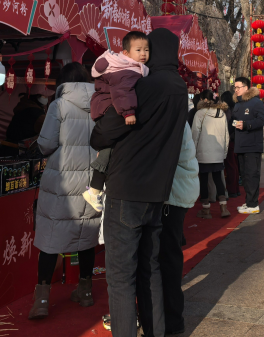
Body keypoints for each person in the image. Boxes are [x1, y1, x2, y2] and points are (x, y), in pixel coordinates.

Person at [104, 28, 188, 337]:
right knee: (149, 268)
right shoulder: (179, 87)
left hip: (127, 187)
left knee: (121, 275)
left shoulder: (145, 85)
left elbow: (102, 133)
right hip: (158, 192)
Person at [29, 63, 100, 320]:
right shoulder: (99, 105)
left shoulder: (58, 105)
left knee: (50, 238)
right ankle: (85, 291)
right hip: (91, 179)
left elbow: (46, 144)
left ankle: (42, 300)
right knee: (86, 234)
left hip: (61, 180)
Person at [85, 31, 150, 212]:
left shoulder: (125, 66)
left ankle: (95, 190)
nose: (143, 54)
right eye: (138, 50)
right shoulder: (127, 70)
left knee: (108, 148)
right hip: (110, 108)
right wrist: (128, 113)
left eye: (146, 50)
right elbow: (122, 92)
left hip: (104, 106)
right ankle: (94, 190)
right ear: (126, 53)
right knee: (108, 148)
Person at [160, 122, 200, 336]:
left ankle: (172, 319)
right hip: (177, 190)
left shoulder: (169, 115)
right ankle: (170, 317)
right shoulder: (176, 114)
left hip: (171, 193)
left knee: (168, 257)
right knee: (169, 254)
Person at [191, 90, 230, 219]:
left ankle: (206, 209)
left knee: (204, 180)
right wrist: (224, 152)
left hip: (203, 152)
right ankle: (223, 207)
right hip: (218, 152)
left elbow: (195, 134)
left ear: (204, 99)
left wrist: (193, 151)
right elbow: (226, 135)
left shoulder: (200, 113)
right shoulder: (221, 113)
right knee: (218, 178)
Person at [232, 77, 264, 214]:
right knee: (245, 176)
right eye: (235, 87)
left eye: (238, 87)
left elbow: (263, 119)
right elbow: (233, 121)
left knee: (252, 175)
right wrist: (235, 124)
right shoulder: (237, 104)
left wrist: (247, 125)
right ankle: (249, 202)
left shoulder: (255, 102)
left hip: (252, 145)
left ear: (246, 87)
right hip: (240, 144)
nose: (236, 90)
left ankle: (253, 204)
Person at [0, 84, 50, 157]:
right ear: (36, 97)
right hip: (17, 154)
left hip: (8, 151)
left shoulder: (24, 107)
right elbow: (51, 130)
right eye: (44, 96)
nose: (46, 98)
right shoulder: (35, 113)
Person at [219, 91, 240, 197]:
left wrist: (228, 131)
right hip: (235, 139)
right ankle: (235, 188)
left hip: (229, 140)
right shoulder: (235, 108)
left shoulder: (227, 111)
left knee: (230, 165)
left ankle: (232, 189)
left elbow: (229, 124)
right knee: (234, 165)